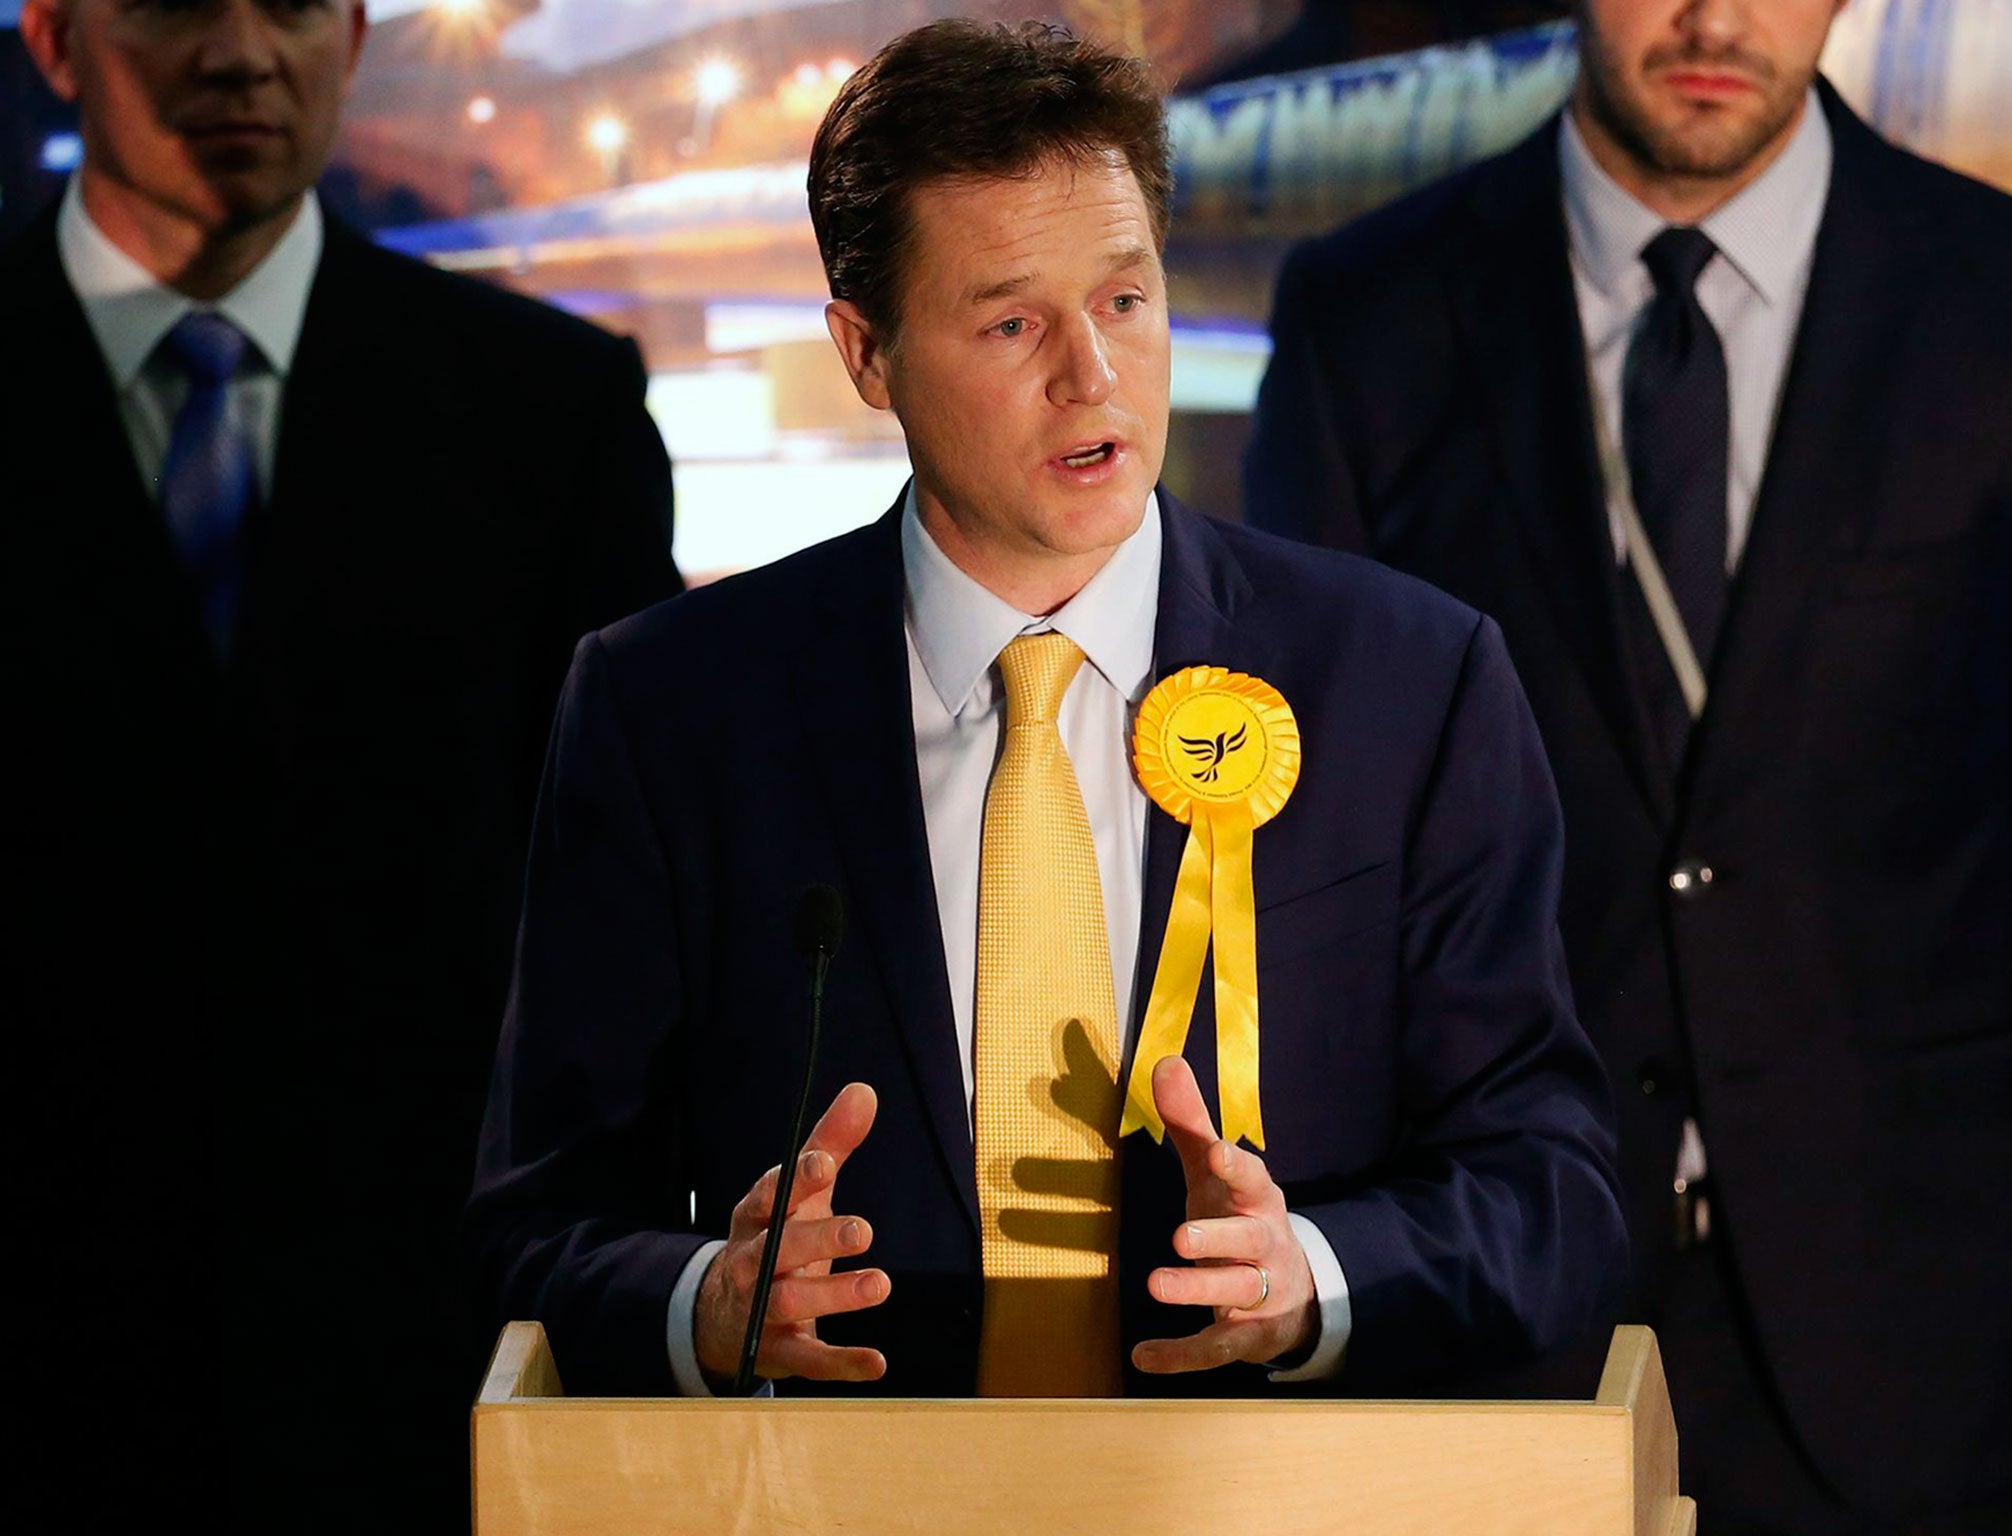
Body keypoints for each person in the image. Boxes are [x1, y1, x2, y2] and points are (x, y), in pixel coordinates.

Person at [468, 18, 1626, 1411]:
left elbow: (1552, 1196)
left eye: (1126, 301)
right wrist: (702, 1304)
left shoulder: (1412, 683)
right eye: (1012, 320)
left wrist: (1312, 1275)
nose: (1093, 375)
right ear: (867, 352)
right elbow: (532, 1230)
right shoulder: (669, 712)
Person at [1244, 0, 2012, 1529]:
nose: (1715, 18)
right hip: (1506, 1298)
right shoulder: (1370, 311)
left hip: (1938, 1323)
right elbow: (1304, 849)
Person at [1, 0, 677, 1527]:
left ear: (356, 32)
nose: (243, 51)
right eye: (178, 2)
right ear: (53, 40)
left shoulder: (546, 414)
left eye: (296, 2)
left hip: (418, 1368)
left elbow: (627, 912)